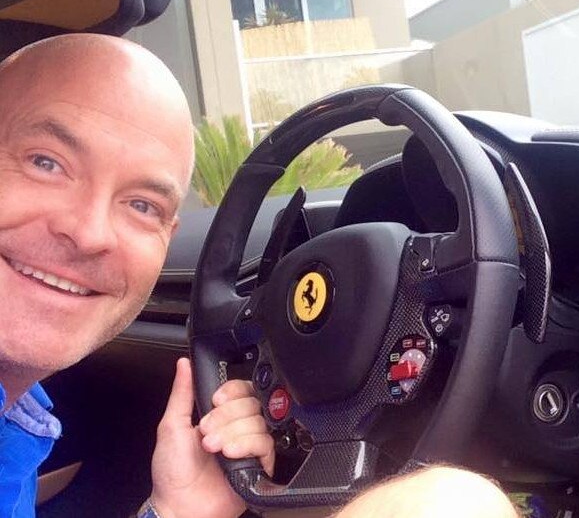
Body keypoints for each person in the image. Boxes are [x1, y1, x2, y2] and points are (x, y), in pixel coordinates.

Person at [0, 33, 517, 518]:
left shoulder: (18, 416)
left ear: (168, 231)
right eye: (46, 163)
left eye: (141, 204)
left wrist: (177, 508)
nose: (90, 233)